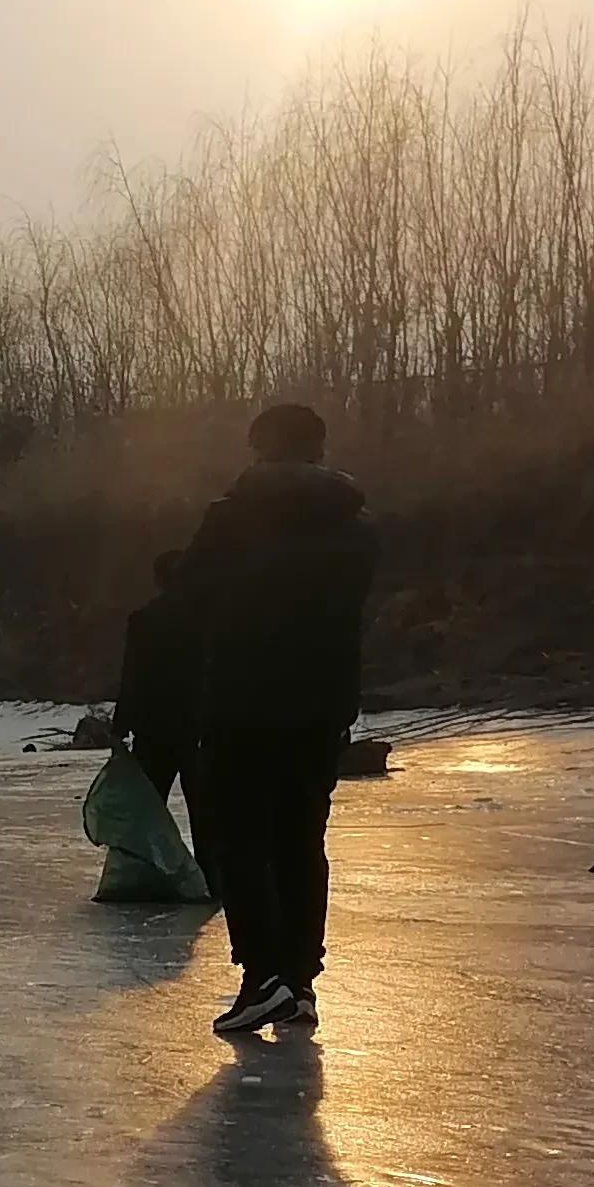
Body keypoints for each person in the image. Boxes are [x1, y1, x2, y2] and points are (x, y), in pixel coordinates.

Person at [179, 405, 373, 1039]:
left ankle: (262, 975)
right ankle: (298, 980)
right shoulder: (357, 526)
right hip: (320, 707)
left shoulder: (231, 517)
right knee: (300, 839)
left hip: (242, 701)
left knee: (238, 839)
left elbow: (188, 598)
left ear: (259, 448)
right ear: (318, 449)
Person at [113, 547, 211, 886]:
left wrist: (120, 723)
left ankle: (143, 873)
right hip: (199, 726)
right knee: (204, 807)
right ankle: (211, 875)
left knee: (148, 805)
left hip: (153, 727)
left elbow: (133, 675)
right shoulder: (208, 620)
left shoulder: (143, 620)